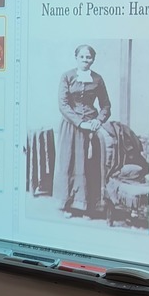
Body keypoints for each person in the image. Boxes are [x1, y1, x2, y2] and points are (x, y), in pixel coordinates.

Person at [53, 44, 111, 218]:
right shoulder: (67, 76)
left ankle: (89, 207)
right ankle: (69, 206)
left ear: (93, 59)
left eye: (89, 57)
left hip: (91, 127)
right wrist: (80, 123)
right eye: (82, 57)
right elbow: (63, 105)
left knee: (89, 166)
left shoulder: (98, 79)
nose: (85, 60)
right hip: (71, 126)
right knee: (69, 163)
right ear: (76, 58)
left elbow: (106, 105)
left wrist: (97, 120)